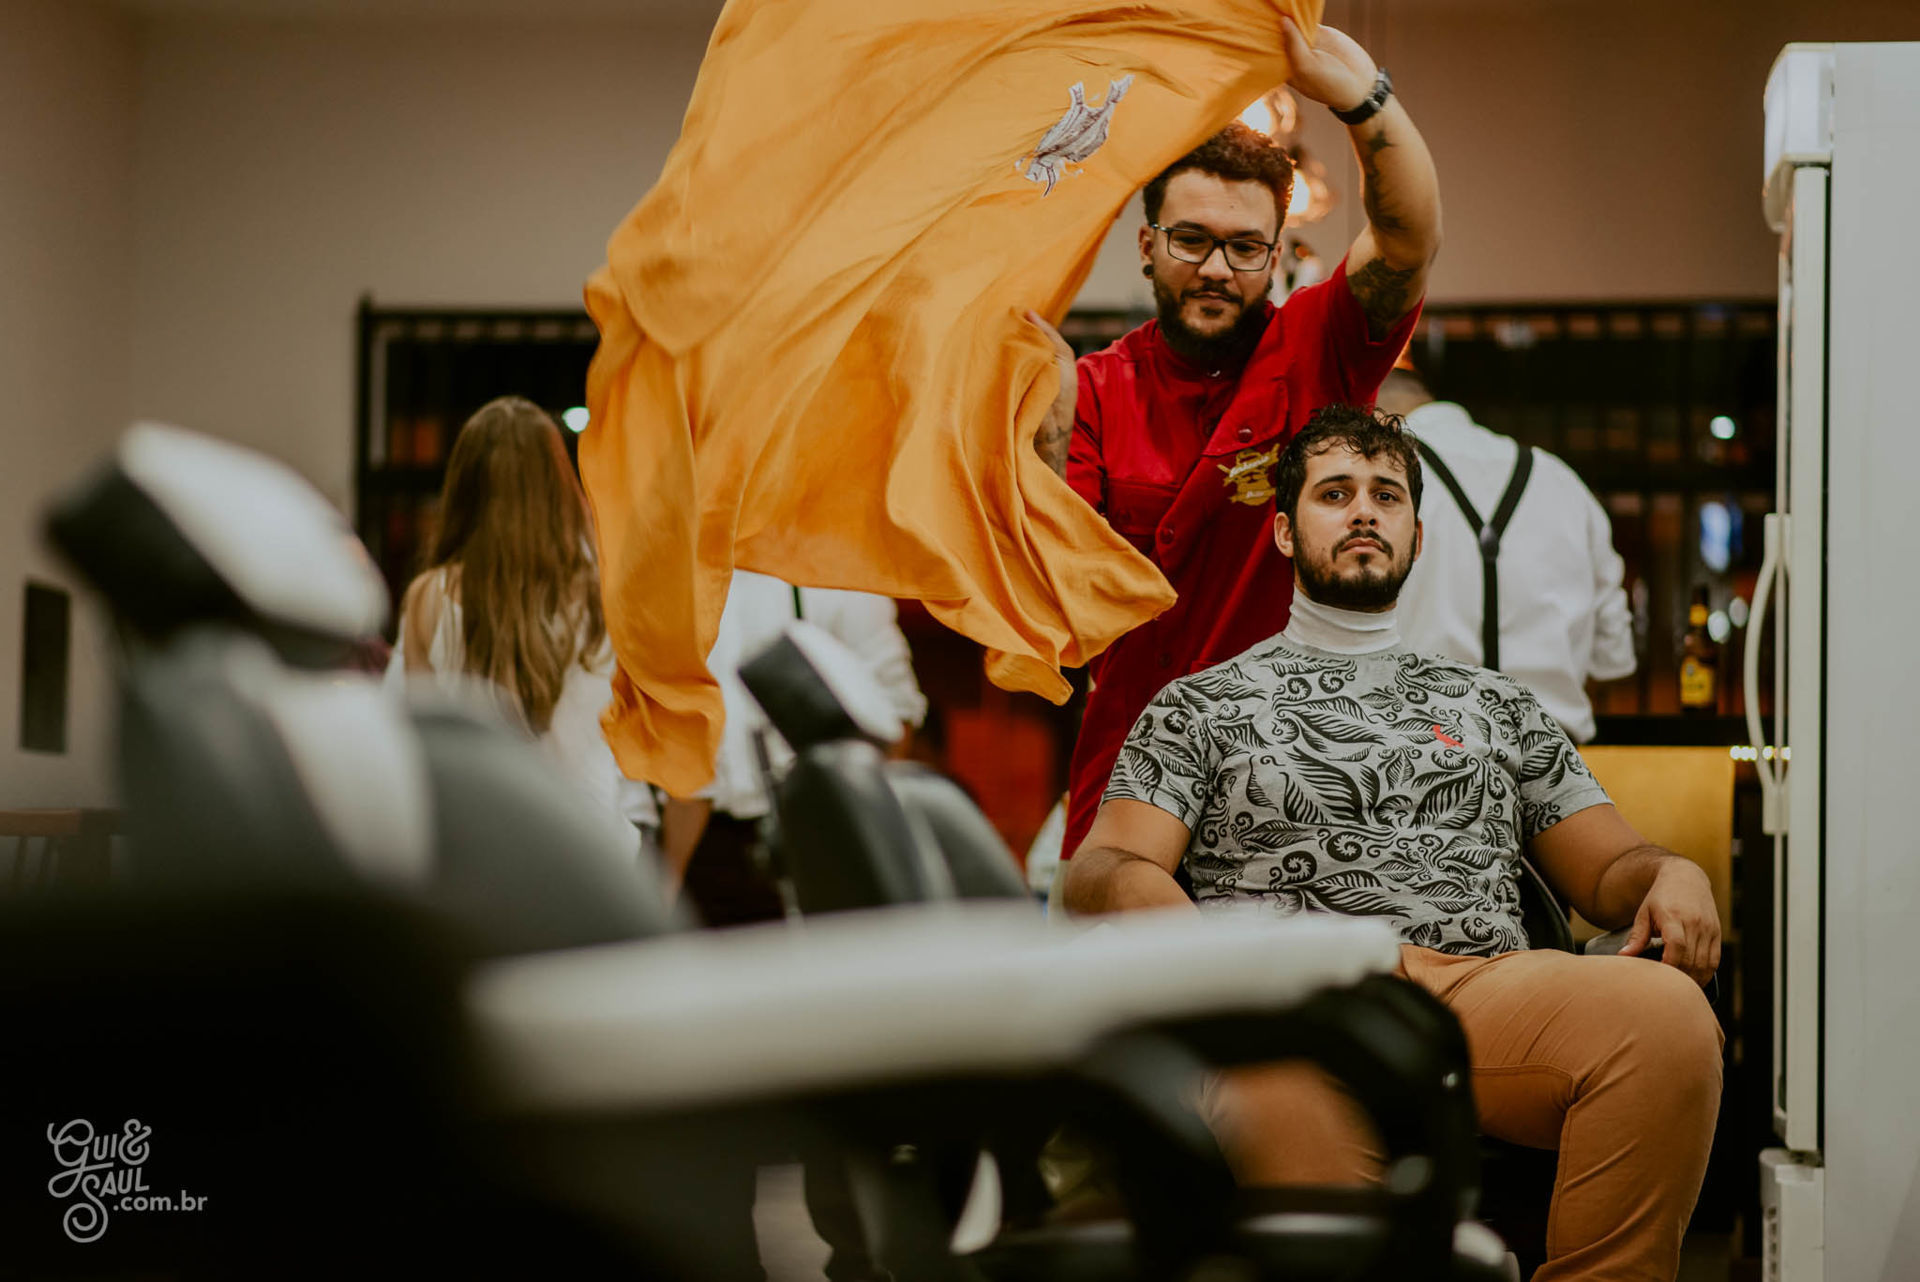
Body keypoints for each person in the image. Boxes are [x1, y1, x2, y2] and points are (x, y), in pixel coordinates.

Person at [1062, 404, 1723, 1282]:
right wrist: (1195, 944)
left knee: (1670, 1018)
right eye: (1335, 494)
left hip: (1481, 986)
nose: (1365, 511)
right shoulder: (1201, 705)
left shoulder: (1496, 704)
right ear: (1286, 533)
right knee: (1281, 1089)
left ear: (1417, 532)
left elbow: (1607, 868)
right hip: (1294, 996)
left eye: (1388, 495)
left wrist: (1672, 871)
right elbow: (1104, 864)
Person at [1029, 19, 1444, 859]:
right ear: (1147, 247)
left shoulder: (1317, 344)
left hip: (1299, 772)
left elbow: (1408, 241)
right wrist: (1044, 430)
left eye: (1244, 247)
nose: (1217, 268)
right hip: (1133, 773)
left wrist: (1363, 101)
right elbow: (1061, 609)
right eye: (1191, 241)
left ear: (1276, 255)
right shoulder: (1099, 390)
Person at [386, 396, 638, 848]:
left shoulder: (430, 598)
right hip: (594, 845)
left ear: (463, 489)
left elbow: (422, 748)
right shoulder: (607, 595)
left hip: (483, 847)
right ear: (558, 485)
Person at [1379, 362, 1635, 742]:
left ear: (1375, 415)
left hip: (1427, 759)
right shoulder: (1561, 480)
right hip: (1555, 765)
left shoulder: (1382, 484)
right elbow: (1613, 657)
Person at [659, 569, 929, 925]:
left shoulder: (833, 567)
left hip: (817, 831)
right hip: (700, 843)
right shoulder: (676, 567)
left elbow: (895, 717)